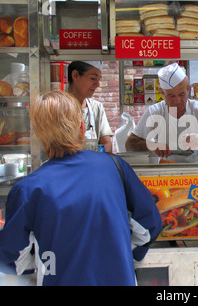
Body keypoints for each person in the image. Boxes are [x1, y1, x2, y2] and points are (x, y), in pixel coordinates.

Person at [0, 90, 161, 286]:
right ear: (82, 126)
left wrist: (42, 260)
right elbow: (150, 223)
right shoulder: (115, 167)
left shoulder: (27, 189)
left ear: (38, 133)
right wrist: (122, 253)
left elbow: (11, 258)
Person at [125, 62, 198, 163]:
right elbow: (130, 144)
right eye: (171, 96)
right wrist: (151, 145)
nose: (177, 101)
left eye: (182, 94)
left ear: (188, 89)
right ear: (162, 93)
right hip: (169, 171)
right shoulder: (155, 112)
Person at [68, 61, 113, 152]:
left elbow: (106, 143)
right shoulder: (57, 107)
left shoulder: (96, 107)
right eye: (93, 78)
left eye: (99, 79)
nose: (97, 84)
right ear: (75, 75)